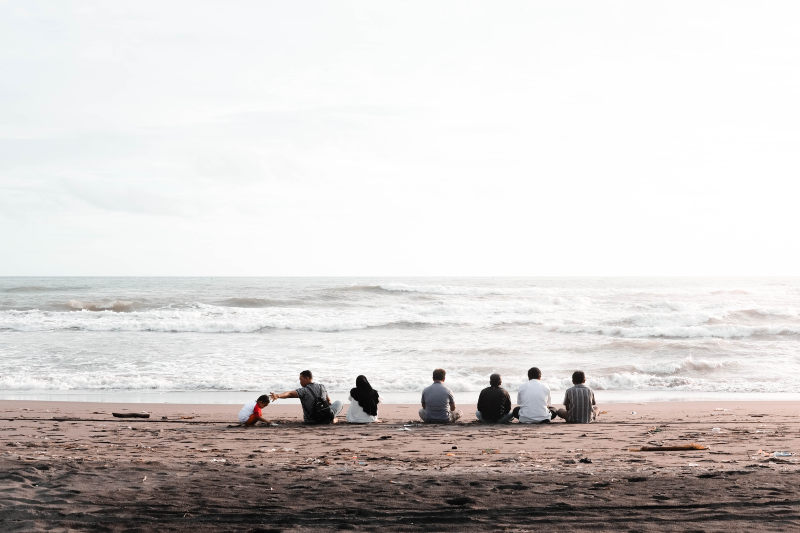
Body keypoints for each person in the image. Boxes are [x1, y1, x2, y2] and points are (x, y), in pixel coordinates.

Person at [270, 370, 343, 424]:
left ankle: (331, 419)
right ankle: (331, 419)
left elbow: (290, 394)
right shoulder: (322, 386)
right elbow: (329, 401)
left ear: (307, 378)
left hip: (311, 421)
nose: (300, 382)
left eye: (301, 379)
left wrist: (278, 395)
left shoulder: (304, 391)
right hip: (325, 416)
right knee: (339, 403)